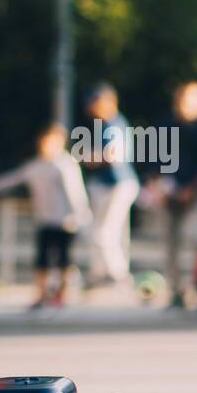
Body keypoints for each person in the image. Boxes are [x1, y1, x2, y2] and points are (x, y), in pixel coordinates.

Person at [0, 124, 91, 309]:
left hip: (65, 220)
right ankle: (42, 294)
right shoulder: (35, 166)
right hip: (45, 219)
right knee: (42, 259)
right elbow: (7, 181)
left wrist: (80, 216)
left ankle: (61, 295)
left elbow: (76, 193)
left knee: (63, 260)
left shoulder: (65, 164)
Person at [154, 81, 197, 308]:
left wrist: (191, 190)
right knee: (172, 243)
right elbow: (153, 162)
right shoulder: (164, 126)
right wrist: (159, 186)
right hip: (168, 192)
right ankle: (176, 290)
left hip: (196, 194)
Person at [78, 82, 139, 287]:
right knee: (112, 232)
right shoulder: (103, 125)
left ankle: (118, 274)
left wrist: (88, 158)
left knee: (104, 232)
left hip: (117, 183)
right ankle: (100, 273)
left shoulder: (114, 124)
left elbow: (112, 155)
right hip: (107, 184)